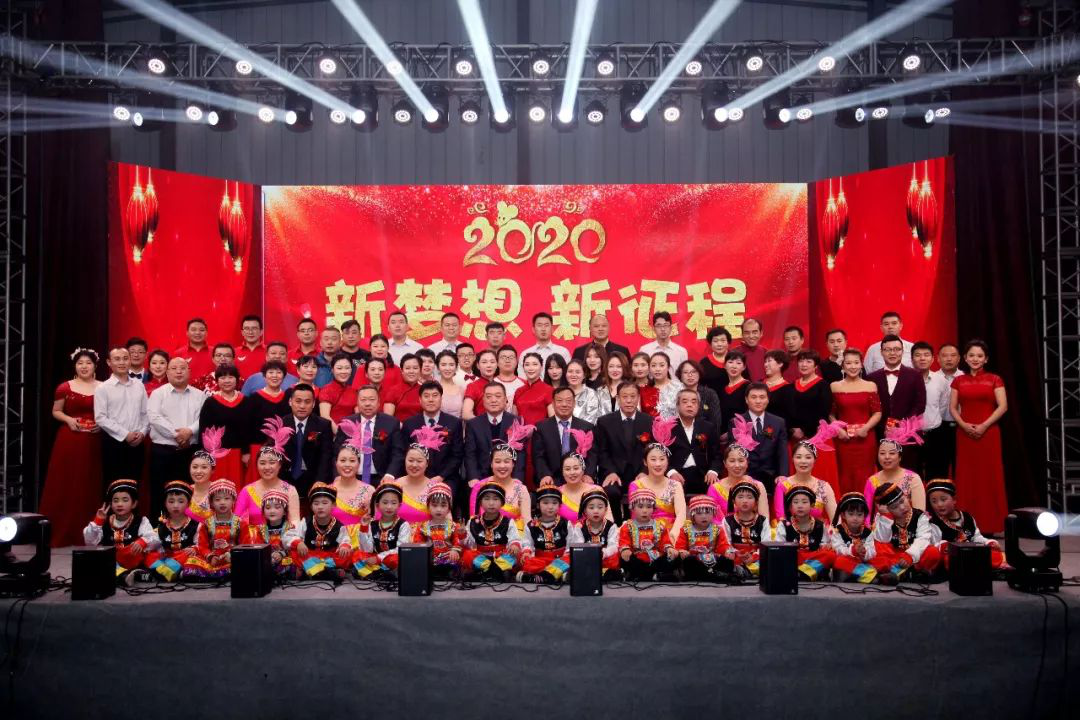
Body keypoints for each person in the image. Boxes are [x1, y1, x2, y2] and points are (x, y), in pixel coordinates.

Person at [41, 348, 103, 547]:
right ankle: (61, 531)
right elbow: (56, 411)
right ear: (75, 366)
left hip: (94, 441)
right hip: (69, 440)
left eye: (88, 363)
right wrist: (68, 420)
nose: (84, 366)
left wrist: (101, 424)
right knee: (66, 482)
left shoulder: (104, 387)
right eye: (80, 363)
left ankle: (90, 533)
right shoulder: (65, 387)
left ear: (95, 366)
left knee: (89, 482)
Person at [950, 339, 1008, 535]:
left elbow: (1003, 406)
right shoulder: (958, 381)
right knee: (966, 476)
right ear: (965, 358)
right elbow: (953, 408)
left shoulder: (995, 379)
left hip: (989, 433)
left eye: (980, 356)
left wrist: (984, 425)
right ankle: (965, 523)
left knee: (989, 475)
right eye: (972, 355)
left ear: (986, 359)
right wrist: (964, 425)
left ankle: (990, 524)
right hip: (965, 433)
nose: (975, 359)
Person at [147, 357, 205, 515]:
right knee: (160, 492)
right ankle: (159, 526)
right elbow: (154, 417)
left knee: (189, 491)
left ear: (189, 372)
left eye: (182, 368)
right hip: (163, 452)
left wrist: (190, 431)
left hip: (190, 452)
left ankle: (190, 526)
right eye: (174, 368)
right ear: (167, 372)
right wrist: (177, 435)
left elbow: (203, 418)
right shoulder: (158, 394)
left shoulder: (200, 395)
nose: (178, 371)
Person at [391, 382, 464, 498]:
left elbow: (457, 455)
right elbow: (403, 453)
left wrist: (441, 476)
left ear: (441, 399)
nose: (431, 400)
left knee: (441, 497)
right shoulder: (409, 424)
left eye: (435, 395)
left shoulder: (454, 423)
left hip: (445, 477)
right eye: (426, 396)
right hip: (415, 477)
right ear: (420, 400)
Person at [596, 382, 654, 522]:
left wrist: (645, 471)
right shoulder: (604, 422)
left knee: (644, 490)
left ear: (638, 398)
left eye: (633, 396)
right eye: (625, 396)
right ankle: (617, 523)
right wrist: (610, 472)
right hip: (614, 472)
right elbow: (602, 452)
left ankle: (636, 523)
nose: (629, 400)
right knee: (611, 491)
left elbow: (652, 451)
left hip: (639, 472)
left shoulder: (649, 421)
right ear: (618, 398)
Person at [868, 335, 926, 473]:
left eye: (896, 349)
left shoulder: (915, 375)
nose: (892, 353)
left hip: (908, 434)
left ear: (902, 351)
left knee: (909, 472)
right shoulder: (871, 378)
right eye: (888, 350)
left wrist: (900, 425)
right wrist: (883, 426)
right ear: (881, 352)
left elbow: (920, 405)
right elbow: (870, 407)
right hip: (881, 433)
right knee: (884, 473)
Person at [83, 479, 157, 585]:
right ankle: (124, 576)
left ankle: (133, 573)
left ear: (134, 504)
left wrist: (142, 542)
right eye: (116, 500)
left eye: (125, 500)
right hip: (112, 561)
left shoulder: (141, 521)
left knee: (152, 555)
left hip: (132, 559)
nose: (120, 504)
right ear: (110, 504)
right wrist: (98, 520)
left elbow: (153, 537)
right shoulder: (105, 522)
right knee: (96, 559)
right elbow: (90, 542)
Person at [830, 349, 882, 496]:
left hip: (866, 438)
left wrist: (866, 428)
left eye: (856, 362)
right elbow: (831, 414)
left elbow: (877, 413)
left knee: (865, 473)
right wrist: (838, 430)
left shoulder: (870, 385)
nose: (852, 366)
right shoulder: (834, 386)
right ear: (843, 366)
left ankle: (866, 505)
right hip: (843, 439)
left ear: (861, 365)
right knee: (844, 473)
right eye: (848, 363)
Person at [627, 417, 687, 545]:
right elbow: (635, 516)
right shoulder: (636, 485)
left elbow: (681, 514)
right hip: (644, 534)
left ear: (667, 462)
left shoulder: (675, 485)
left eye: (662, 459)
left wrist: (673, 535)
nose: (658, 464)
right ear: (645, 462)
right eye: (653, 459)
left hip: (672, 535)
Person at [870, 481, 942, 583]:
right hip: (895, 557)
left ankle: (902, 573)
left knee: (932, 552)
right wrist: (886, 517)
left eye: (902, 501)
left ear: (906, 497)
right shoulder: (883, 518)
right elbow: (882, 539)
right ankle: (905, 574)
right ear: (888, 509)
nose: (902, 507)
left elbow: (923, 539)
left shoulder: (920, 517)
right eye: (894, 507)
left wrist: (910, 556)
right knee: (875, 547)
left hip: (914, 556)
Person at [95, 346, 149, 484]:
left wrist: (142, 433)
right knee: (114, 484)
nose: (122, 362)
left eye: (125, 358)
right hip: (113, 443)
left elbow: (145, 413)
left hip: (137, 443)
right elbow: (100, 417)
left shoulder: (139, 385)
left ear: (130, 361)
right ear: (109, 362)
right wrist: (125, 434)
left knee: (134, 483)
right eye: (117, 359)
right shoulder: (103, 388)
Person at [234, 419, 302, 526]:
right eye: (262, 463)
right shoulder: (247, 491)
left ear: (279, 465)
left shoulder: (290, 490)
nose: (267, 467)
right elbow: (236, 523)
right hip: (252, 537)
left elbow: (295, 522)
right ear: (256, 465)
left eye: (272, 462)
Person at [925, 479, 1005, 570]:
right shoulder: (933, 522)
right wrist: (943, 546)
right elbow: (933, 544)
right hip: (950, 556)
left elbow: (976, 537)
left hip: (970, 553)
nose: (939, 504)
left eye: (943, 500)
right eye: (934, 501)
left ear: (954, 500)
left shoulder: (967, 518)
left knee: (995, 556)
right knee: (949, 560)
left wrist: (988, 543)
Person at [791, 350, 838, 494]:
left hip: (818, 437)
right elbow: (790, 410)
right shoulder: (792, 385)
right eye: (801, 361)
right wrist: (793, 429)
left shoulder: (823, 385)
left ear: (816, 366)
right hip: (796, 437)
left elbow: (823, 412)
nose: (804, 364)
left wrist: (806, 431)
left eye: (808, 361)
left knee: (820, 475)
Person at [466, 429, 534, 530]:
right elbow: (474, 520)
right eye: (497, 461)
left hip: (515, 535)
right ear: (491, 464)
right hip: (485, 535)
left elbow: (527, 521)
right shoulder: (479, 487)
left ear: (513, 464)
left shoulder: (521, 489)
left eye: (507, 462)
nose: (502, 466)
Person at [182, 478, 248, 580]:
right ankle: (222, 574)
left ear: (234, 500)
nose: (222, 502)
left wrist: (231, 555)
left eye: (227, 498)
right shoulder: (206, 524)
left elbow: (245, 545)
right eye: (217, 499)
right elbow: (202, 546)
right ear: (211, 503)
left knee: (245, 564)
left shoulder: (241, 523)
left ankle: (215, 575)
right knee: (191, 562)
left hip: (231, 559)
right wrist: (210, 556)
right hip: (212, 560)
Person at [332, 385, 398, 485]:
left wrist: (390, 475)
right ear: (357, 403)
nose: (367, 403)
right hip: (350, 477)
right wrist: (337, 475)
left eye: (372, 400)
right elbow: (336, 453)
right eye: (363, 400)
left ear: (379, 402)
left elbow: (397, 453)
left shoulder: (391, 423)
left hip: (382, 478)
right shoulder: (347, 423)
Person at [286, 482, 352, 581]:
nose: (320, 507)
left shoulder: (339, 526)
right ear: (311, 507)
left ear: (333, 505)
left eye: (325, 503)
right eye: (316, 503)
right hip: (310, 555)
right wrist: (299, 543)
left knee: (348, 554)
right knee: (294, 551)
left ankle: (312, 571)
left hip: (329, 558)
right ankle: (328, 572)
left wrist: (344, 546)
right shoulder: (305, 521)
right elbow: (292, 535)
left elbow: (345, 540)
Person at [533, 386, 597, 487]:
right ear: (553, 404)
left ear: (574, 403)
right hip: (551, 479)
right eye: (559, 401)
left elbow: (592, 456)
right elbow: (538, 456)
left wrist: (588, 474)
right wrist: (545, 475)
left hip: (579, 479)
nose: (564, 404)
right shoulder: (541, 427)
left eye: (568, 401)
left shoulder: (586, 427)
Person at [464, 383, 528, 484]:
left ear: (505, 399)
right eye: (488, 397)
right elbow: (470, 454)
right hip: (481, 479)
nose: (493, 400)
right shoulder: (473, 424)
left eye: (498, 396)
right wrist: (473, 477)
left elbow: (520, 454)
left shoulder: (516, 422)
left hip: (509, 478)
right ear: (483, 400)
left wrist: (517, 479)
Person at [729, 383, 789, 493]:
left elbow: (782, 452)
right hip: (745, 476)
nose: (758, 401)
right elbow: (733, 452)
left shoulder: (778, 422)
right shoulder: (736, 421)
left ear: (768, 399)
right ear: (746, 400)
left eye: (762, 397)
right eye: (754, 397)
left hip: (772, 477)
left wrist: (783, 475)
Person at [461, 481, 523, 581]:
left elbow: (515, 539)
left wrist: (514, 545)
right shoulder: (473, 522)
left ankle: (485, 573)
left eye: (495, 499)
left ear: (502, 503)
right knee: (467, 555)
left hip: (501, 556)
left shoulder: (508, 522)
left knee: (514, 556)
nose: (491, 503)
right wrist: (462, 534)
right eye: (487, 499)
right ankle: (495, 571)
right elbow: (469, 544)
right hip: (481, 556)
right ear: (480, 502)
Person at [241, 359, 290, 485]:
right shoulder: (254, 398)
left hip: (281, 449)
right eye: (271, 372)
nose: (275, 376)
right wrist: (246, 452)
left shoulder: (288, 398)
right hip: (257, 449)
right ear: (264, 376)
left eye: (278, 372)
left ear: (284, 376)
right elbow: (245, 426)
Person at [279, 384, 333, 497]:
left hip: (313, 479)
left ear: (313, 404)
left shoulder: (323, 425)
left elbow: (326, 456)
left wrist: (320, 482)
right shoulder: (280, 424)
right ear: (290, 402)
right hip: (284, 479)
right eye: (298, 401)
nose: (302, 406)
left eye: (307, 402)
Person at [774, 430, 840, 522]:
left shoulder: (823, 487)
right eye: (798, 457)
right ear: (792, 459)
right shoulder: (783, 485)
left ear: (814, 460)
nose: (803, 461)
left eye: (808, 457)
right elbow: (780, 519)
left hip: (818, 530)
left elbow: (836, 520)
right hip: (789, 530)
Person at [667, 389, 722, 496]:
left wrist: (713, 471)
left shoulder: (708, 427)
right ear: (677, 406)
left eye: (694, 402)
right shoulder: (668, 428)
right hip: (677, 474)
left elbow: (717, 455)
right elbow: (662, 455)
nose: (689, 405)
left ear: (698, 406)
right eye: (685, 401)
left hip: (703, 475)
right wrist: (671, 472)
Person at [390, 424, 448, 525]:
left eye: (419, 461)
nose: (414, 465)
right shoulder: (394, 486)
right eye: (410, 460)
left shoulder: (436, 488)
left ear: (427, 464)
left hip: (428, 534)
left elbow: (446, 519)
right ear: (405, 461)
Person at [143, 480, 200, 582]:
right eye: (171, 501)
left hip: (184, 557)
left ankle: (161, 573)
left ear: (189, 503)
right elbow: (155, 545)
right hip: (166, 558)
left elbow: (200, 544)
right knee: (149, 555)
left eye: (180, 501)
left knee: (190, 556)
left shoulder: (195, 526)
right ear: (165, 503)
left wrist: (194, 548)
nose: (175, 505)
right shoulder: (161, 527)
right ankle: (168, 572)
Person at [864, 428, 928, 519]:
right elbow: (866, 514)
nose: (887, 457)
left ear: (900, 457)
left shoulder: (913, 478)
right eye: (882, 453)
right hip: (881, 526)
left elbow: (920, 512)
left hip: (908, 525)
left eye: (892, 453)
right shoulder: (872, 480)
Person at [196, 365, 246, 481]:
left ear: (237, 379)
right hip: (216, 455)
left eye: (231, 377)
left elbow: (249, 429)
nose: (227, 381)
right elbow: (204, 431)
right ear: (217, 380)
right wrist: (206, 455)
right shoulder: (210, 403)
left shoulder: (246, 401)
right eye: (222, 378)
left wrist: (246, 452)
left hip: (239, 455)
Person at [777, 486, 837, 581]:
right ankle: (810, 572)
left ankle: (802, 573)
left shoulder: (819, 525)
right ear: (790, 506)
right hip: (794, 557)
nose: (800, 506)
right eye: (796, 502)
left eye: (804, 502)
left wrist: (826, 546)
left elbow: (823, 545)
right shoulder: (784, 524)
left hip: (813, 558)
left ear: (812, 505)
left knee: (830, 555)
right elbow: (779, 547)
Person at [618, 486, 677, 581]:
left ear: (654, 508)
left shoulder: (660, 526)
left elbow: (665, 543)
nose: (645, 510)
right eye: (640, 506)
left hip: (656, 560)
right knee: (625, 559)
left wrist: (669, 548)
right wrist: (625, 550)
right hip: (637, 560)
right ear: (632, 508)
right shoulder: (627, 526)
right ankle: (655, 575)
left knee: (675, 557)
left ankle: (645, 575)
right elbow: (624, 543)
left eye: (649, 507)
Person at [353, 482, 409, 579]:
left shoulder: (403, 525)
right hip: (375, 559)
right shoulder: (373, 524)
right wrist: (364, 528)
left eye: (393, 503)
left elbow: (400, 549)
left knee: (397, 559)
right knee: (357, 555)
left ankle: (373, 573)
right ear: (378, 505)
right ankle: (383, 574)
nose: (389, 507)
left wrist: (379, 558)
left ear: (399, 505)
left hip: (390, 559)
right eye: (385, 502)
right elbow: (367, 549)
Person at [410, 481, 466, 579]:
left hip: (447, 557)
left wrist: (454, 551)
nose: (438, 509)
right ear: (428, 506)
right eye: (434, 505)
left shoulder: (453, 526)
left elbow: (457, 541)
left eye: (443, 505)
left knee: (455, 561)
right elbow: (418, 542)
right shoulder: (422, 526)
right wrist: (423, 554)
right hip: (429, 557)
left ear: (449, 508)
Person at [912, 341, 951, 481]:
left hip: (935, 433)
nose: (922, 358)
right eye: (918, 355)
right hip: (911, 435)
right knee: (913, 475)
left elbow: (943, 405)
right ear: (912, 359)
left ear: (933, 359)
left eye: (926, 355)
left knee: (936, 473)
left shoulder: (941, 380)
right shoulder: (905, 379)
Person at [517, 486, 572, 584]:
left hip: (560, 558)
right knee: (527, 561)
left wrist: (566, 555)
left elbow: (570, 544)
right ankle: (555, 576)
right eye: (545, 503)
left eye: (554, 503)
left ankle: (537, 577)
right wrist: (527, 552)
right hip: (540, 559)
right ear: (538, 505)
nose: (550, 507)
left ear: (560, 505)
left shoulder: (566, 524)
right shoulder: (531, 525)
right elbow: (527, 544)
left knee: (570, 559)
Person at [242, 488, 300, 580]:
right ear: (263, 512)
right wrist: (269, 556)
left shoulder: (290, 528)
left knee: (292, 564)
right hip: (267, 560)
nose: (272, 511)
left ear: (285, 512)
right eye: (268, 508)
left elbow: (294, 549)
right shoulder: (259, 529)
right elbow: (258, 548)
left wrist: (281, 554)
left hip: (284, 559)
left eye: (277, 507)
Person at [567, 487, 622, 580]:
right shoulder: (579, 526)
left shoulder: (611, 526)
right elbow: (578, 545)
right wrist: (589, 554)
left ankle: (597, 573)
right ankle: (599, 574)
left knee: (615, 557)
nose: (596, 511)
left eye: (600, 507)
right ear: (585, 510)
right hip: (586, 557)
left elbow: (614, 545)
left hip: (604, 557)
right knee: (570, 557)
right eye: (591, 507)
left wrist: (604, 553)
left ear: (606, 509)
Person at [720, 481, 771, 579]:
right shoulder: (727, 520)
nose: (745, 501)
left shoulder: (763, 521)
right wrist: (737, 554)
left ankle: (745, 572)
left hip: (756, 559)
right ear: (733, 501)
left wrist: (754, 557)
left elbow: (766, 544)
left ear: (756, 501)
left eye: (749, 497)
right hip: (735, 557)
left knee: (769, 562)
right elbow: (725, 543)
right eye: (740, 497)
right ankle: (742, 571)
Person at [674, 495, 731, 581]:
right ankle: (711, 575)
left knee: (727, 561)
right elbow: (679, 547)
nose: (704, 516)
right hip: (694, 560)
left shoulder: (718, 529)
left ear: (713, 513)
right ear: (692, 515)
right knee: (689, 561)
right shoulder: (685, 530)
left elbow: (723, 546)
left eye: (707, 513)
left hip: (712, 559)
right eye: (699, 513)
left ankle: (709, 574)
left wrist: (727, 552)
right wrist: (682, 552)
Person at [330, 428, 377, 532]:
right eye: (343, 460)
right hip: (333, 540)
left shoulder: (369, 490)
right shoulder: (328, 490)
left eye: (352, 461)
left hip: (361, 540)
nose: (347, 465)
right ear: (336, 463)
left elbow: (375, 524)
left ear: (358, 464)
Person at [707, 444, 771, 518]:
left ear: (747, 463)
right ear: (725, 464)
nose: (737, 465)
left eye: (741, 461)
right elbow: (712, 519)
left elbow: (764, 518)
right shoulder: (715, 488)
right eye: (732, 461)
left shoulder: (758, 486)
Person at [930, 343, 964, 479]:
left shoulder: (965, 377)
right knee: (938, 466)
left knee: (961, 465)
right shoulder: (931, 378)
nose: (949, 359)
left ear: (959, 358)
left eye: (953, 355)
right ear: (938, 359)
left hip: (962, 427)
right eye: (944, 356)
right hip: (938, 427)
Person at [829, 492, 880, 584]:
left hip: (862, 562)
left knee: (880, 559)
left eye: (859, 514)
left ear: (864, 516)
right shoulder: (837, 531)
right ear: (843, 515)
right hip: (845, 562)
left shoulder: (868, 532)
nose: (855, 518)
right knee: (840, 561)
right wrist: (853, 550)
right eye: (851, 514)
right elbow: (838, 549)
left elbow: (872, 551)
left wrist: (864, 552)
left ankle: (858, 575)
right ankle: (870, 576)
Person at [556, 441, 606, 518]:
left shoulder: (596, 490)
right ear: (562, 472)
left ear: (583, 470)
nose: (572, 472)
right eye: (567, 469)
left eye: (576, 468)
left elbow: (608, 520)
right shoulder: (557, 493)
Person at [638, 311, 688, 379]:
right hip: (652, 385)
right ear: (653, 329)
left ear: (671, 328)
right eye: (659, 326)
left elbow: (684, 376)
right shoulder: (644, 350)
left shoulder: (681, 351)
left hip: (675, 385)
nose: (663, 329)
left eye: (666, 325)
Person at [318, 353, 358, 431]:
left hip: (352, 433)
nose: (343, 371)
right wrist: (339, 434)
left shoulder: (354, 391)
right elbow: (325, 416)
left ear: (351, 370)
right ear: (332, 370)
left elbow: (358, 416)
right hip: (332, 433)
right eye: (339, 368)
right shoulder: (326, 390)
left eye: (347, 368)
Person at [676, 360, 720, 427]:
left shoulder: (710, 394)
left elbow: (716, 421)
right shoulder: (675, 393)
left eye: (693, 372)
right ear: (680, 376)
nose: (690, 375)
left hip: (705, 432)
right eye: (685, 372)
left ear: (699, 374)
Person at [514, 352, 553, 425]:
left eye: (535, 364)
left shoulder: (549, 390)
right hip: (520, 431)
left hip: (541, 431)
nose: (530, 368)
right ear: (523, 368)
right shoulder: (518, 391)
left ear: (541, 367)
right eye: (527, 364)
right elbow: (514, 420)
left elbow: (552, 420)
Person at [716, 351, 750, 432]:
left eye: (738, 363)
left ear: (744, 367)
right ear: (724, 365)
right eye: (730, 362)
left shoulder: (748, 387)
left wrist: (731, 433)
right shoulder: (722, 389)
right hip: (721, 433)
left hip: (741, 433)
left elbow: (751, 414)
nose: (734, 366)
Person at [762, 349, 795, 432]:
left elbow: (787, 418)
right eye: (765, 362)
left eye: (769, 361)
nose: (766, 364)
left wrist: (768, 432)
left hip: (775, 433)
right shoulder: (758, 384)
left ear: (780, 364)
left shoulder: (788, 389)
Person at [384, 353, 422, 421]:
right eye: (407, 368)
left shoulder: (424, 390)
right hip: (399, 426)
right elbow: (387, 420)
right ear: (402, 371)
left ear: (420, 370)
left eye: (415, 368)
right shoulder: (393, 391)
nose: (411, 371)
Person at [462, 349, 498, 420]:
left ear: (497, 365)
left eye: (492, 362)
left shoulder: (500, 386)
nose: (489, 365)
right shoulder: (473, 386)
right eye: (484, 362)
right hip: (480, 426)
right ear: (478, 365)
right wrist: (483, 424)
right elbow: (466, 414)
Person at [564, 358, 601, 424]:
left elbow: (591, 419)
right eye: (570, 371)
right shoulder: (561, 393)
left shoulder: (591, 394)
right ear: (566, 374)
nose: (574, 375)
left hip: (584, 429)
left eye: (578, 372)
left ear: (584, 375)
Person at [700, 326, 733, 396]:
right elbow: (700, 386)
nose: (719, 344)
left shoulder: (737, 359)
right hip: (712, 401)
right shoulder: (704, 363)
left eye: (723, 340)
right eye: (715, 341)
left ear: (728, 342)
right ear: (710, 343)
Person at [649, 352, 683, 419]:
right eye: (653, 365)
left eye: (662, 365)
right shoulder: (646, 389)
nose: (657, 369)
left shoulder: (679, 387)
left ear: (668, 367)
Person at [234, 314, 267, 381]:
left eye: (254, 328)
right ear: (242, 332)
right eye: (247, 328)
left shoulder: (270, 352)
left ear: (261, 332)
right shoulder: (234, 352)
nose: (250, 332)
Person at [733, 318, 767, 382]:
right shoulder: (733, 353)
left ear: (761, 333)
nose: (751, 336)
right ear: (742, 335)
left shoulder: (766, 353)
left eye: (754, 332)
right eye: (747, 333)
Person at [598, 351, 630, 416]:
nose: (615, 370)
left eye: (619, 366)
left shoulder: (631, 389)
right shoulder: (600, 390)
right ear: (607, 368)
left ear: (624, 368)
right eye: (611, 366)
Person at [435, 350, 466, 418]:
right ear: (437, 367)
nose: (447, 368)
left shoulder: (462, 390)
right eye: (443, 365)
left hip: (458, 424)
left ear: (456, 367)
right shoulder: (432, 388)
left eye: (451, 365)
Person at [629, 352, 660, 417]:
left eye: (643, 365)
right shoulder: (627, 387)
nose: (639, 369)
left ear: (649, 367)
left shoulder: (656, 387)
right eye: (636, 365)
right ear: (631, 367)